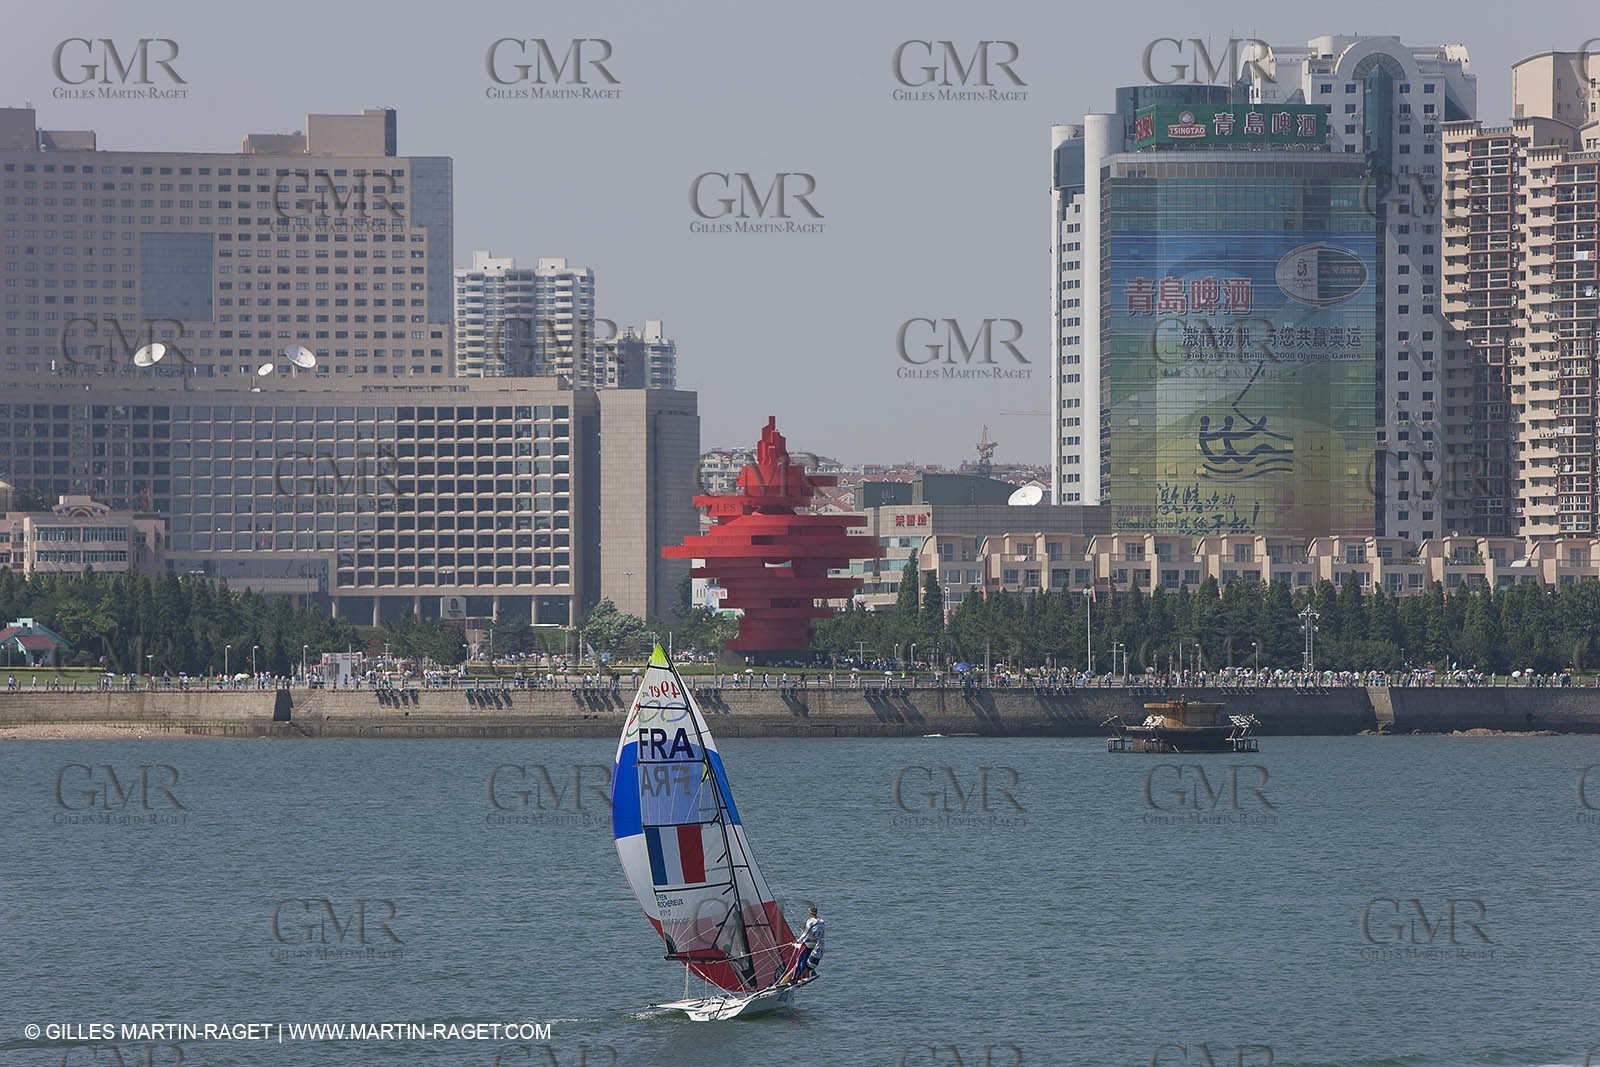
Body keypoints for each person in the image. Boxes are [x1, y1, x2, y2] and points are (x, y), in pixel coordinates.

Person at [780, 905, 825, 985]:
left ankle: (794, 979)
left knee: (800, 961)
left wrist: (797, 941)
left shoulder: (810, 921)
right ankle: (801, 977)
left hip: (807, 944)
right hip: (815, 945)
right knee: (805, 961)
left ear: (810, 913)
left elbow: (805, 934)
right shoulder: (821, 921)